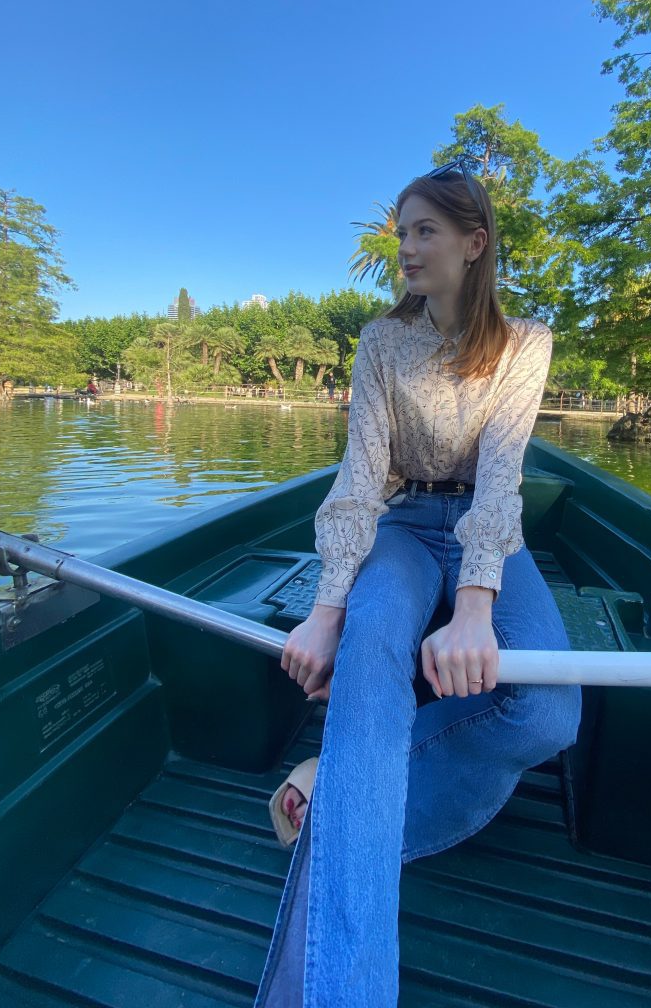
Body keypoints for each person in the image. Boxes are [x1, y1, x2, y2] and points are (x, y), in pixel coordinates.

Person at [256, 158, 582, 1008]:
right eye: (401, 232)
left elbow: (503, 476)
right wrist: (328, 609)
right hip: (401, 527)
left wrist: (475, 608)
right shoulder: (380, 343)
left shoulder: (525, 344)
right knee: (369, 652)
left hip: (492, 533)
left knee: (550, 709)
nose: (406, 247)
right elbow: (361, 481)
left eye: (424, 230)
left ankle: (330, 795)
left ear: (474, 244)